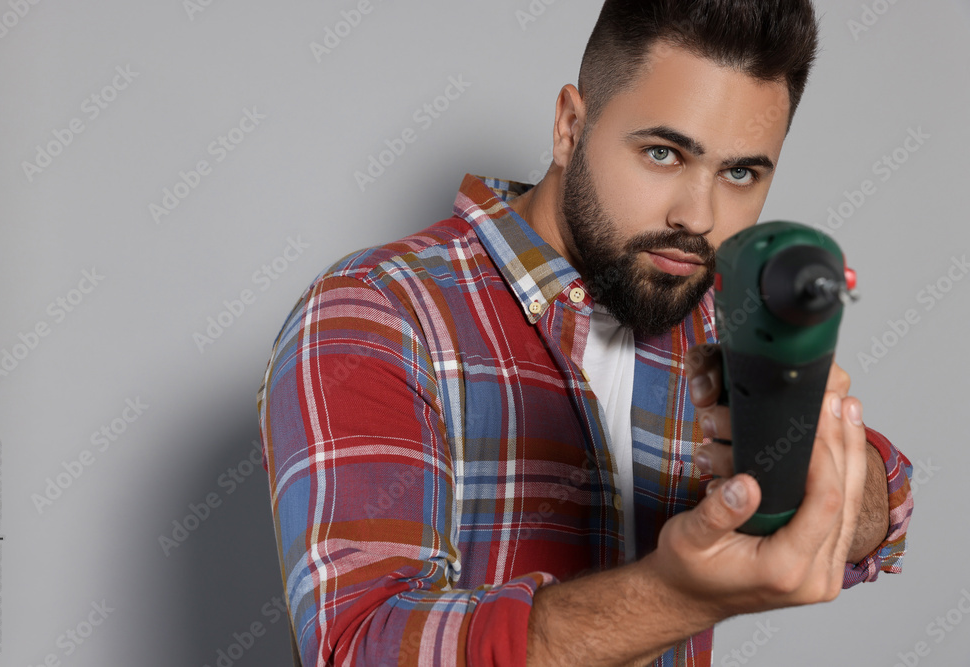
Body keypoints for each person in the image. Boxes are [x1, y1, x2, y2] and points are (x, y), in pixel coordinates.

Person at [256, 1, 913, 664]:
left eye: (740, 172)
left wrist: (799, 464)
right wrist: (680, 596)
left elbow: (889, 500)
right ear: (570, 126)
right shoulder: (380, 312)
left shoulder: (717, 312)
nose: (699, 216)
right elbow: (358, 647)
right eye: (663, 152)